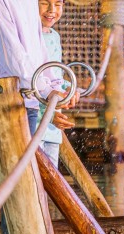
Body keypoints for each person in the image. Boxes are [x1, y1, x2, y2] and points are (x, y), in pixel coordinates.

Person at [0, 0, 77, 234]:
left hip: (31, 100)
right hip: (8, 103)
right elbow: (15, 59)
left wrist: (57, 88)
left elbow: (39, 55)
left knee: (32, 185)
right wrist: (47, 93)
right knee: (19, 187)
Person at [36, 0, 76, 166]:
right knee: (34, 182)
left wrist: (71, 88)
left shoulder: (54, 35)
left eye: (58, 4)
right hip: (34, 125)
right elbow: (29, 81)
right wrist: (47, 116)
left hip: (53, 125)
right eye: (45, 3)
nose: (52, 10)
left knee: (51, 179)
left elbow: (53, 75)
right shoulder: (28, 37)